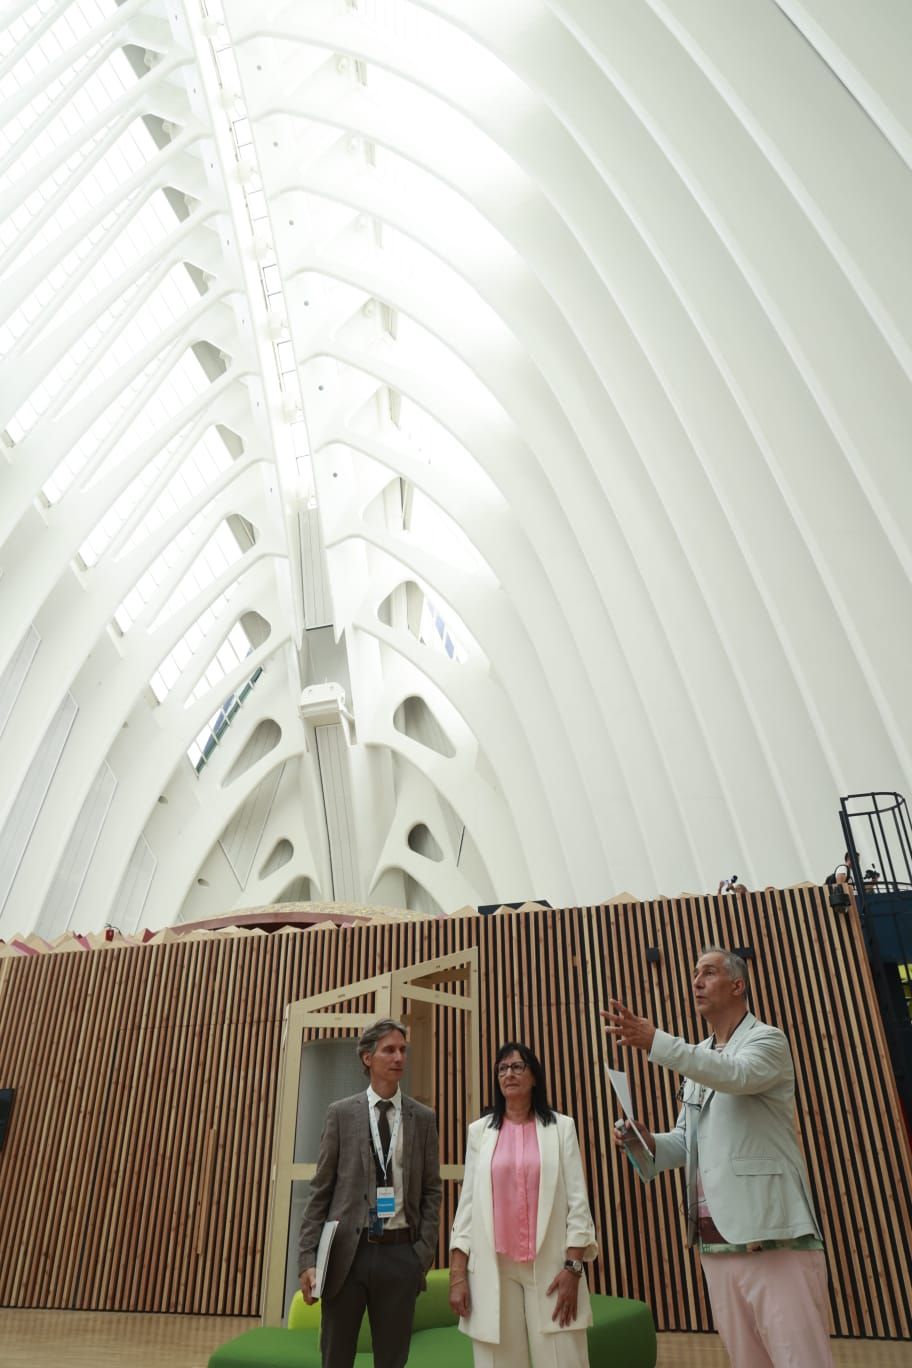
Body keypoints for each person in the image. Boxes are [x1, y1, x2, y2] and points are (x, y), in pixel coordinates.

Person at [602, 948, 833, 1367]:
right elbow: (685, 1143)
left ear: (738, 985)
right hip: (714, 1242)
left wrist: (657, 1041)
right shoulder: (700, 1061)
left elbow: (736, 1076)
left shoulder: (767, 1040)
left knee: (802, 1359)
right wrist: (645, 1142)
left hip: (772, 1236)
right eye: (693, 974)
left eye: (708, 973)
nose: (696, 981)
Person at [298, 1018, 442, 1368]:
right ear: (367, 1057)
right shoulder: (341, 1114)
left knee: (392, 1359)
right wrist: (307, 1258)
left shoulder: (423, 1118)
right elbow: (321, 1190)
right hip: (347, 1255)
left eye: (403, 1050)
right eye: (389, 1050)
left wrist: (420, 1254)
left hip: (400, 1255)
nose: (398, 1058)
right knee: (336, 1356)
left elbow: (431, 1191)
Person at [448, 1042, 597, 1368]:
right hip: (492, 1268)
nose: (508, 1074)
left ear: (533, 1077)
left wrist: (573, 1268)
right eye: (502, 1069)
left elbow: (578, 1203)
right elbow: (467, 1207)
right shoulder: (479, 1132)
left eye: (517, 1067)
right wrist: (458, 1276)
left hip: (552, 1267)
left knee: (563, 1360)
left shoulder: (561, 1128)